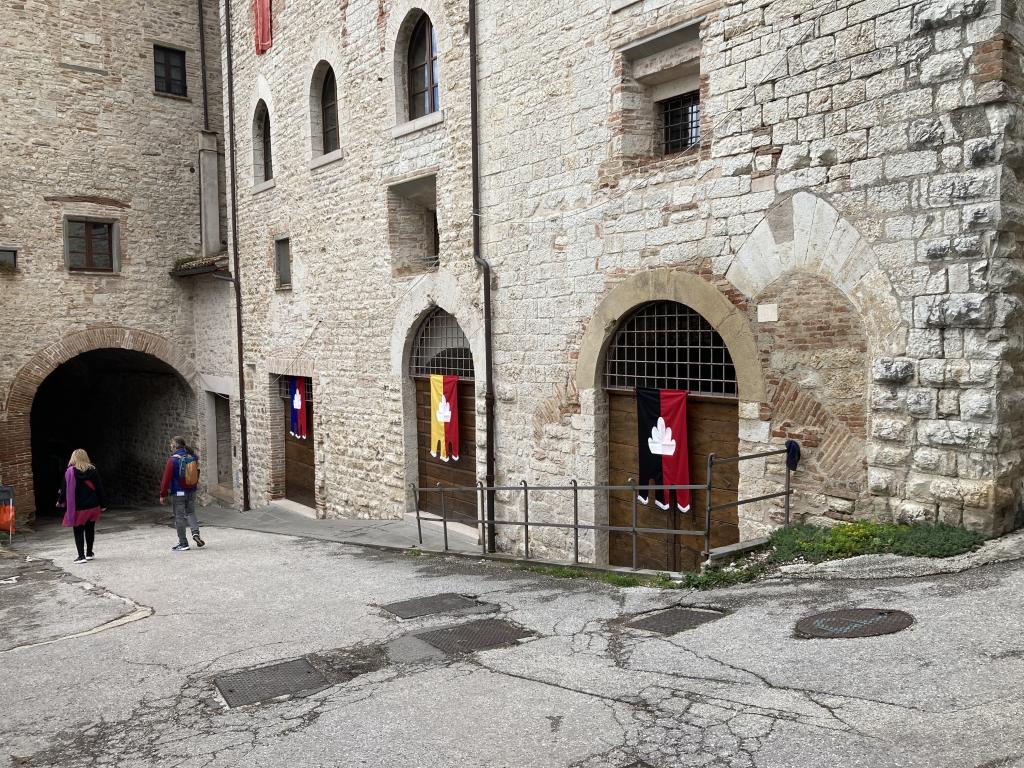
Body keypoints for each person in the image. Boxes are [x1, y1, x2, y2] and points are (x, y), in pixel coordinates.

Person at [57, 449, 106, 564]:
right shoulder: (93, 470)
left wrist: (60, 501)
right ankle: (89, 553)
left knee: (78, 531)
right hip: (93, 505)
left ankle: (81, 556)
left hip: (78, 507)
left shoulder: (70, 472)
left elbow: (64, 490)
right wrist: (103, 504)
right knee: (90, 529)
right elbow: (99, 488)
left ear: (73, 458)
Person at [159, 436, 206, 551]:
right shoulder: (192, 457)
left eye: (171, 444)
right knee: (191, 512)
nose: (170, 446)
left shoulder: (172, 460)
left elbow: (166, 479)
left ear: (175, 446)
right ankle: (196, 534)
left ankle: (183, 543)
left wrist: (163, 494)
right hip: (191, 491)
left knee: (179, 517)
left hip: (178, 492)